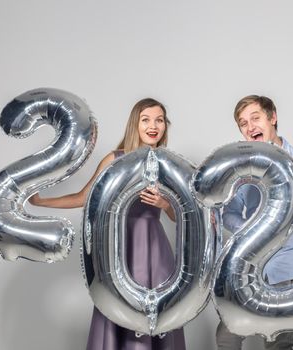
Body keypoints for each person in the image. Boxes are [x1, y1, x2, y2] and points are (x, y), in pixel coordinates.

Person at [29, 98, 186, 350]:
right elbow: (84, 197)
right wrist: (42, 201)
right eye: (146, 120)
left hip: (156, 250)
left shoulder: (167, 163)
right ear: (135, 124)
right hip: (121, 250)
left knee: (158, 314)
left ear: (165, 126)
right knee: (119, 309)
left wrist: (165, 204)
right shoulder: (115, 159)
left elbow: (179, 215)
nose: (153, 126)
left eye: (159, 120)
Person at [216, 95, 293, 350]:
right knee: (227, 336)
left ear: (273, 118)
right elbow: (229, 213)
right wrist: (254, 233)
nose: (250, 127)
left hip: (290, 268)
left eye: (255, 118)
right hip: (248, 268)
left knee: (278, 342)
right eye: (243, 123)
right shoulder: (243, 169)